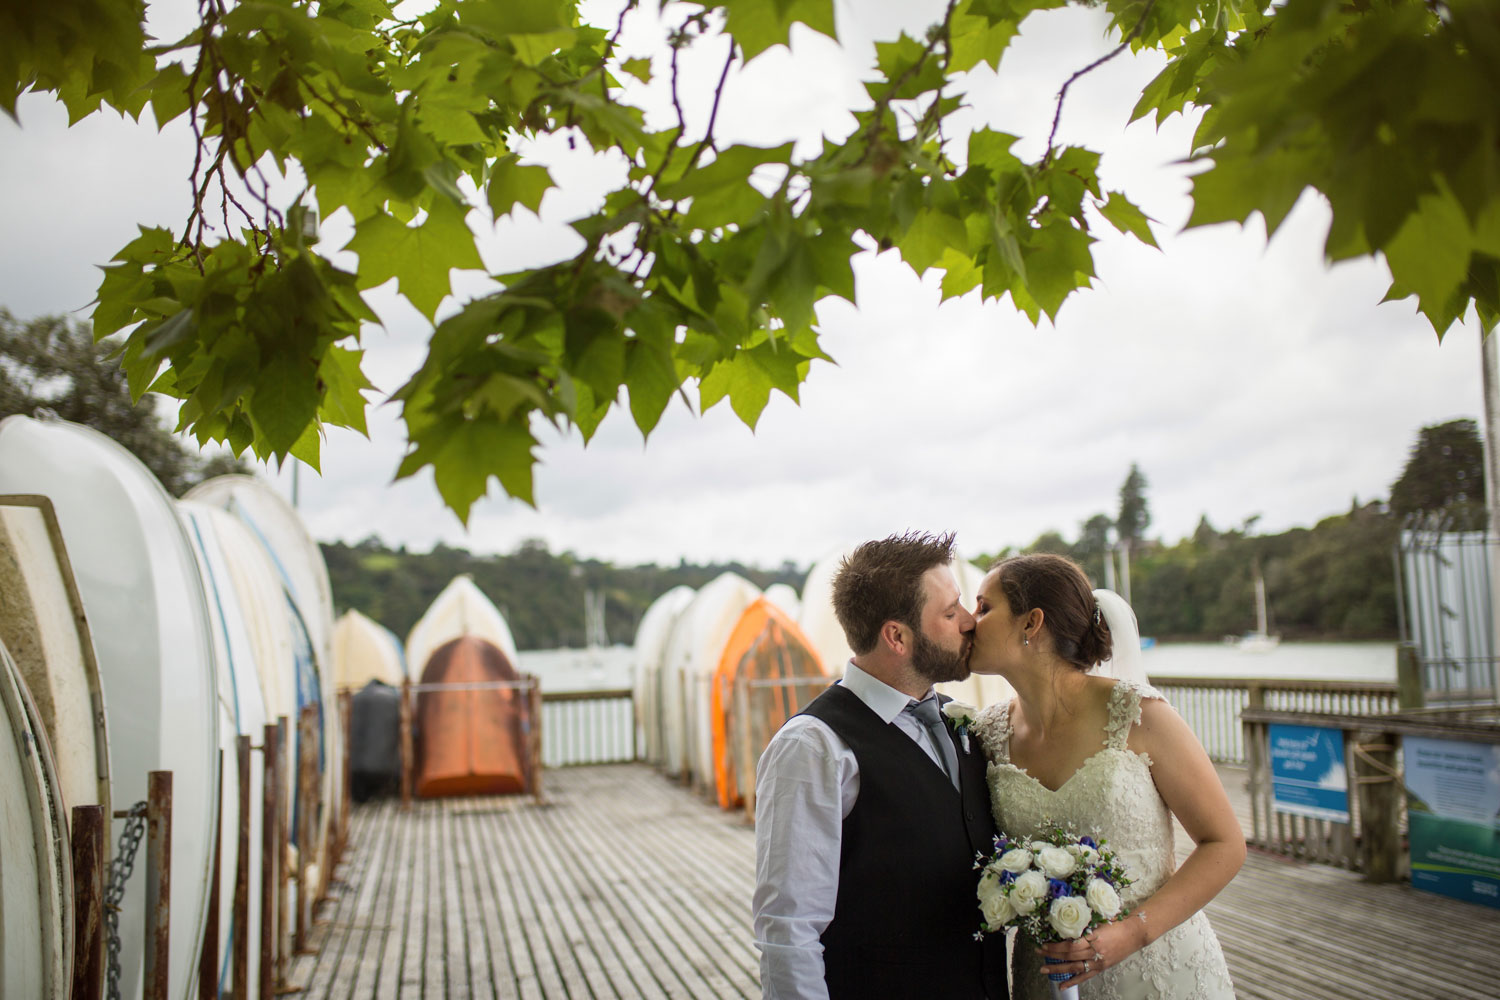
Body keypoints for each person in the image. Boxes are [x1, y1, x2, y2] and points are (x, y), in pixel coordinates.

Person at [968, 553, 1243, 999]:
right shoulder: (987, 735)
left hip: (1158, 969)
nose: (968, 621)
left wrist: (1132, 933)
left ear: (1030, 623)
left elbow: (1225, 844)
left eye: (984, 608)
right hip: (1048, 977)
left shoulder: (1139, 714)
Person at [752, 531, 1009, 1000]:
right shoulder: (812, 747)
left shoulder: (958, 723)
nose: (970, 622)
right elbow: (787, 932)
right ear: (897, 636)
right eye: (950, 613)